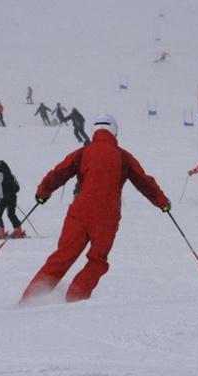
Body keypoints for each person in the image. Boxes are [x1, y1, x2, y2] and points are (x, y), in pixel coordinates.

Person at [20, 114, 170, 304]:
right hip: (106, 218)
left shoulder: (82, 153)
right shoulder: (124, 157)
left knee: (62, 256)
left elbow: (59, 172)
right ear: (115, 133)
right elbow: (144, 182)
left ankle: (30, 299)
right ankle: (75, 298)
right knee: (97, 260)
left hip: (79, 213)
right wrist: (162, 202)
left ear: (94, 132)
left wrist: (43, 192)